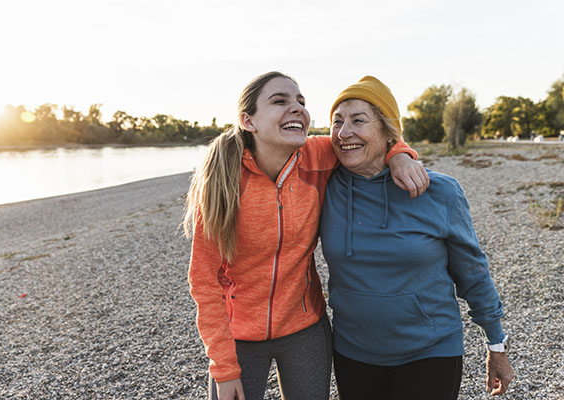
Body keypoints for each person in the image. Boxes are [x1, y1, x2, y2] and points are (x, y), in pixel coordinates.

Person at [183, 71, 429, 400]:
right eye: (280, 101)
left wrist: (399, 156)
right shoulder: (222, 183)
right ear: (249, 121)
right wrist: (223, 368)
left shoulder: (318, 157)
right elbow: (203, 281)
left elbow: (371, 137)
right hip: (238, 336)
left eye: (301, 101)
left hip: (305, 329)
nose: (296, 108)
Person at [319, 76, 514, 399]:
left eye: (358, 120)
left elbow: (473, 273)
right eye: (336, 121)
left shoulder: (440, 192)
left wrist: (496, 344)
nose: (343, 133)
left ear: (387, 130)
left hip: (430, 351)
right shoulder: (323, 186)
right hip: (354, 352)